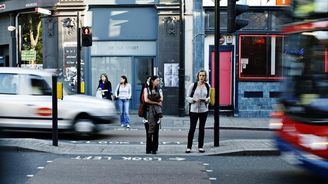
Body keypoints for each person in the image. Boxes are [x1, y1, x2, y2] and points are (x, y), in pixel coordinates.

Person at [185, 69, 211, 153]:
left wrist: (207, 100)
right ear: (198, 76)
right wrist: (193, 99)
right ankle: (189, 147)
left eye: (203, 76)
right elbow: (187, 97)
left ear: (205, 77)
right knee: (192, 128)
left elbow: (209, 97)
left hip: (204, 110)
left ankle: (200, 147)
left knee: (201, 128)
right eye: (200, 75)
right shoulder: (193, 85)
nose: (202, 77)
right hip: (194, 110)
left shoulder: (207, 86)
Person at [143, 75, 163, 154]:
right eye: (157, 80)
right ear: (152, 81)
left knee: (156, 132)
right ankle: (148, 149)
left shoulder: (159, 89)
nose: (158, 82)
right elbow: (146, 100)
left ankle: (154, 149)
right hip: (147, 113)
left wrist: (153, 99)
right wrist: (156, 102)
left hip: (156, 114)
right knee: (148, 132)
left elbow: (161, 99)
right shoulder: (146, 89)